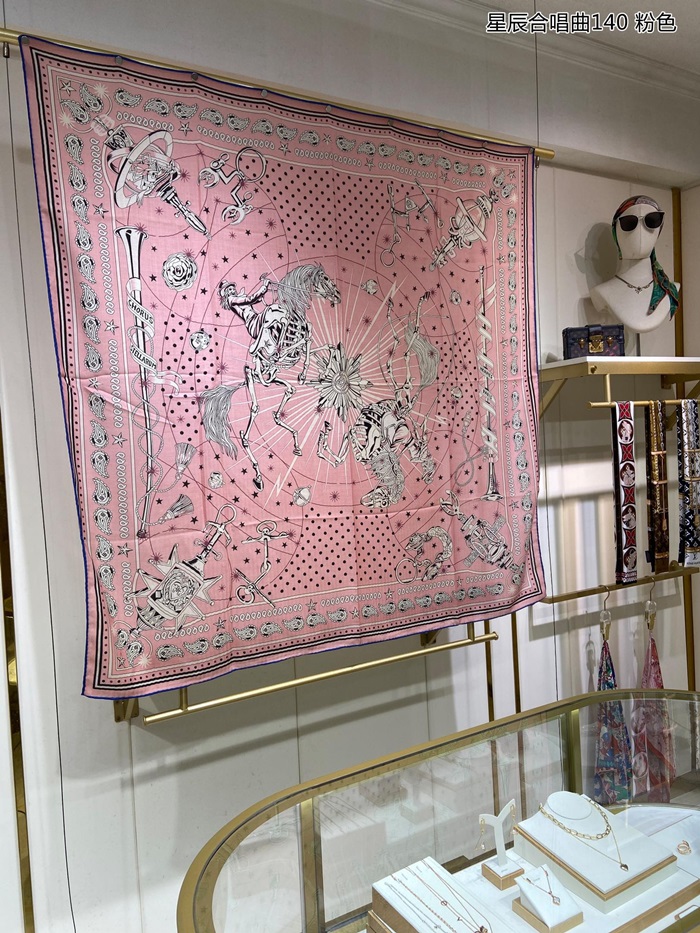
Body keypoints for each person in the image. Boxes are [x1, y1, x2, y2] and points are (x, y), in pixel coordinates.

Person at [590, 195, 679, 334]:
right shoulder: (601, 292)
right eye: (629, 223)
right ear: (615, 232)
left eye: (652, 220)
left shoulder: (670, 289)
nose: (640, 230)